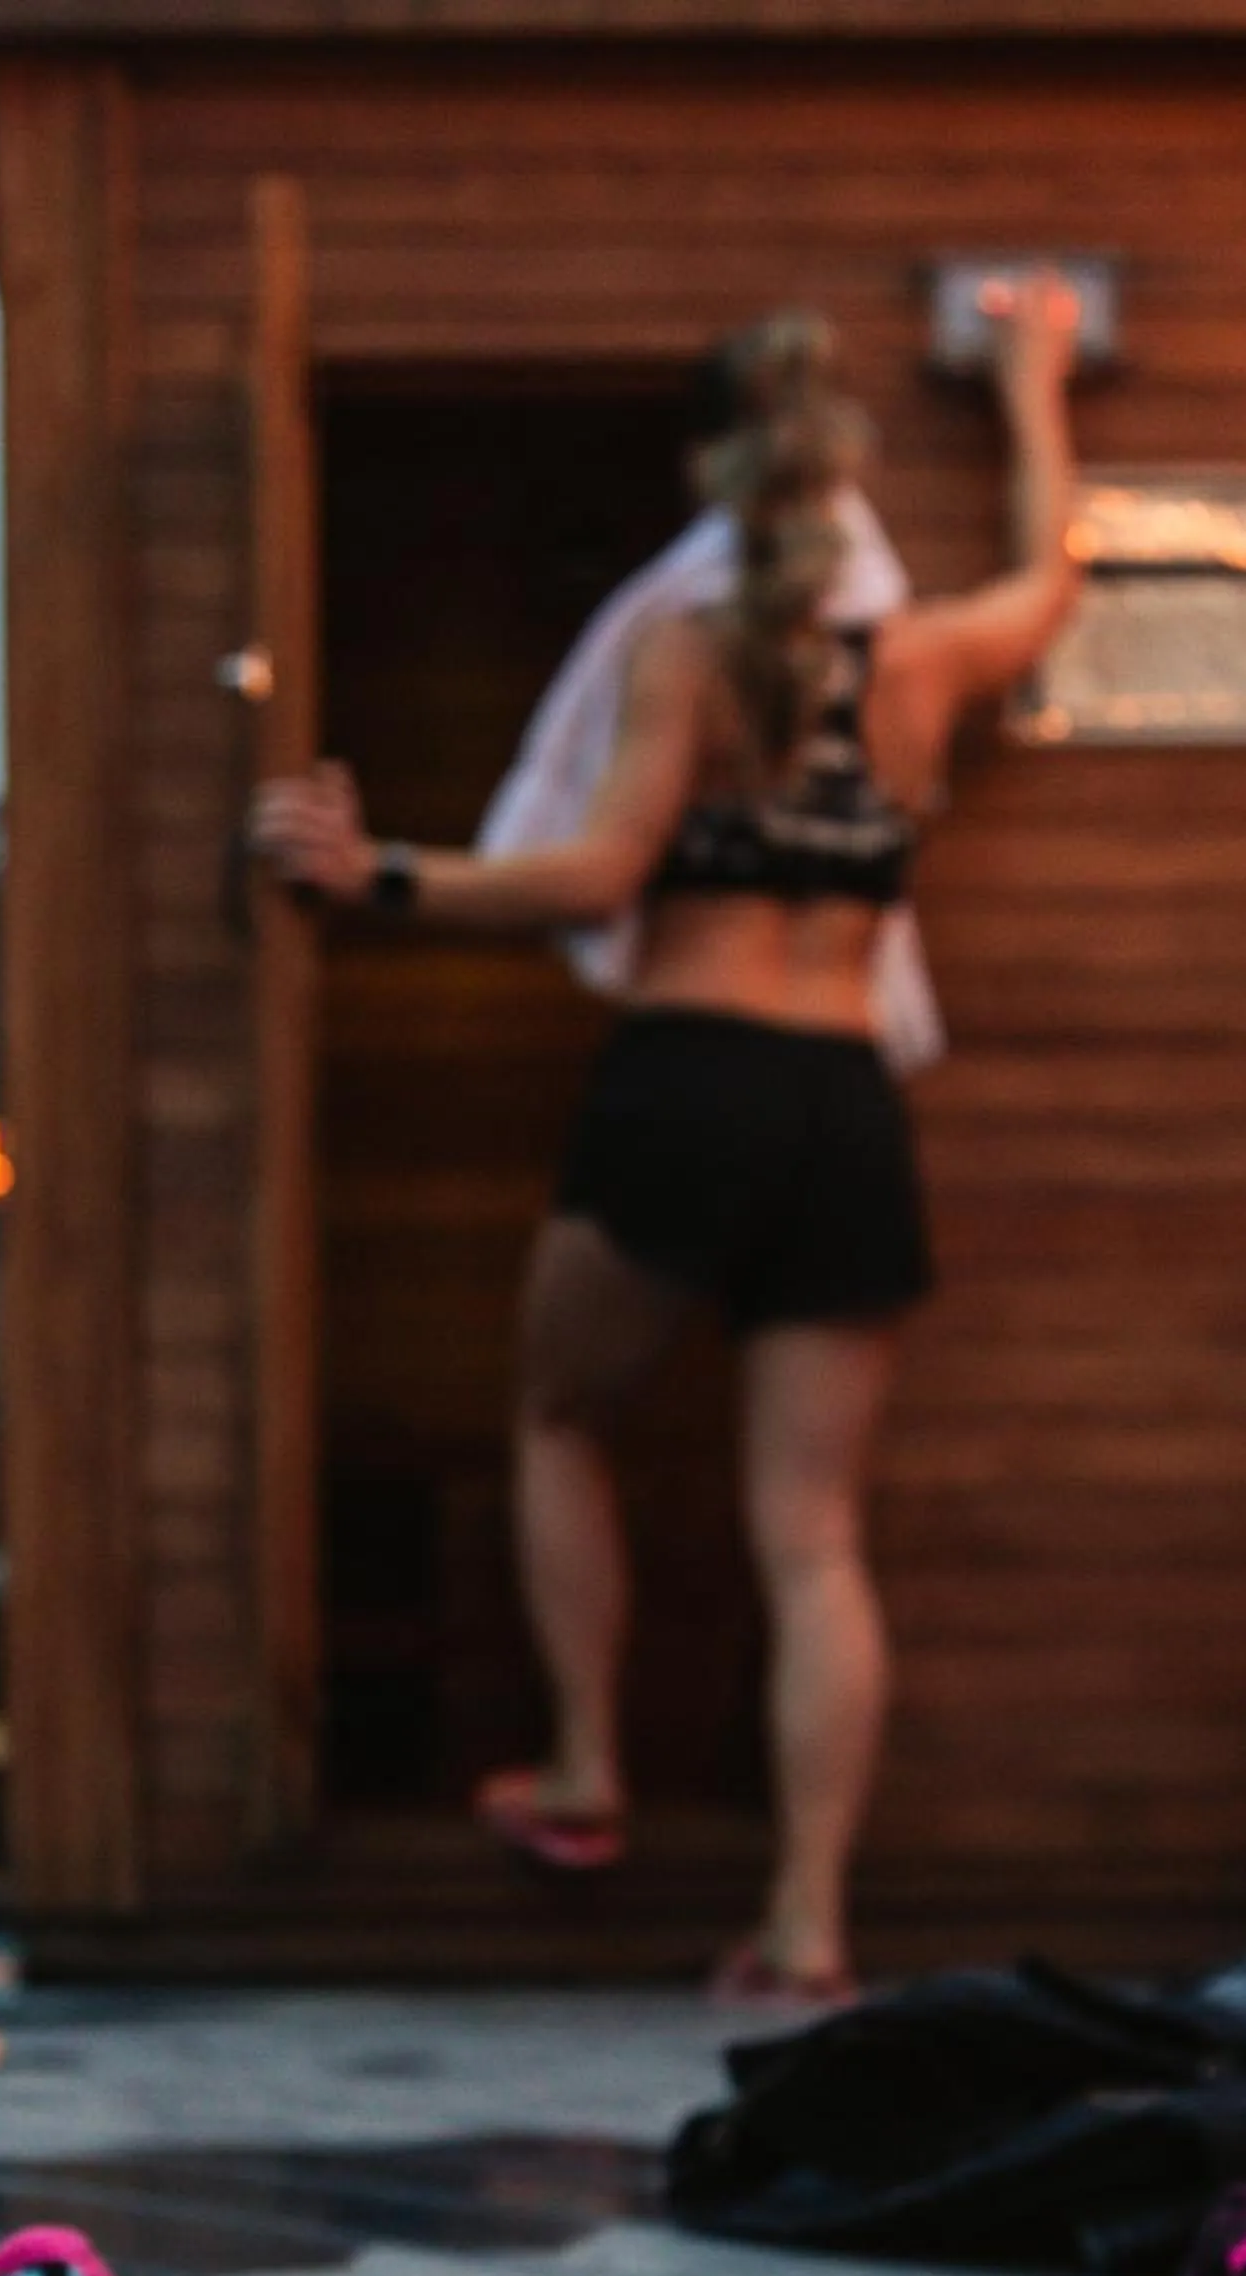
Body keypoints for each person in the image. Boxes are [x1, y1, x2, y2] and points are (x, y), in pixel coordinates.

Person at [252, 280, 1082, 2004]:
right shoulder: (920, 666)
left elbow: (594, 875)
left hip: (688, 1082)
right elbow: (1055, 578)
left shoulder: (682, 650)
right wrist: (1031, 380)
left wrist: (380, 877)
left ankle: (582, 1768)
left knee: (559, 1411)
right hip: (846, 1105)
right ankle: (809, 1925)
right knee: (814, 1533)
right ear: (847, 482)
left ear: (715, 473)